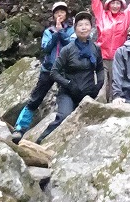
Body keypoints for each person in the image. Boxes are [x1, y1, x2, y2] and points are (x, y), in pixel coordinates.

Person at [11, 0, 75, 142]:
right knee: (36, 97)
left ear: (66, 14)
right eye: (57, 12)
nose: (60, 15)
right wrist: (56, 33)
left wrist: (61, 32)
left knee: (67, 97)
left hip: (64, 70)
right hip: (48, 69)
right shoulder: (48, 31)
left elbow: (71, 46)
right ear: (53, 15)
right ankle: (20, 128)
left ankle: (60, 129)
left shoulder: (71, 31)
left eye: (62, 12)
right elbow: (45, 48)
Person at [38, 10, 104, 143]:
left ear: (91, 28)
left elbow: (100, 69)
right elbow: (54, 72)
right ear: (75, 29)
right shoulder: (68, 49)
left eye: (86, 24)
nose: (84, 28)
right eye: (80, 25)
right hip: (68, 92)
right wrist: (68, 84)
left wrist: (98, 85)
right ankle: (40, 141)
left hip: (87, 93)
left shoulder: (95, 48)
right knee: (64, 117)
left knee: (91, 123)